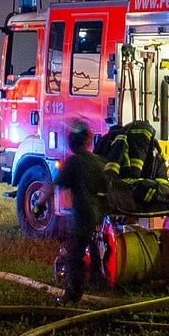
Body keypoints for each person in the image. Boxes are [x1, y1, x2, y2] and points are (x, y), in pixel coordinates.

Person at [55, 119, 110, 304]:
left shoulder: (73, 162)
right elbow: (108, 187)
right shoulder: (99, 162)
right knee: (95, 248)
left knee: (74, 256)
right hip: (99, 215)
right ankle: (97, 280)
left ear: (71, 140)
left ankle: (72, 294)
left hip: (82, 215)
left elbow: (54, 186)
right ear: (88, 140)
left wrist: (38, 205)